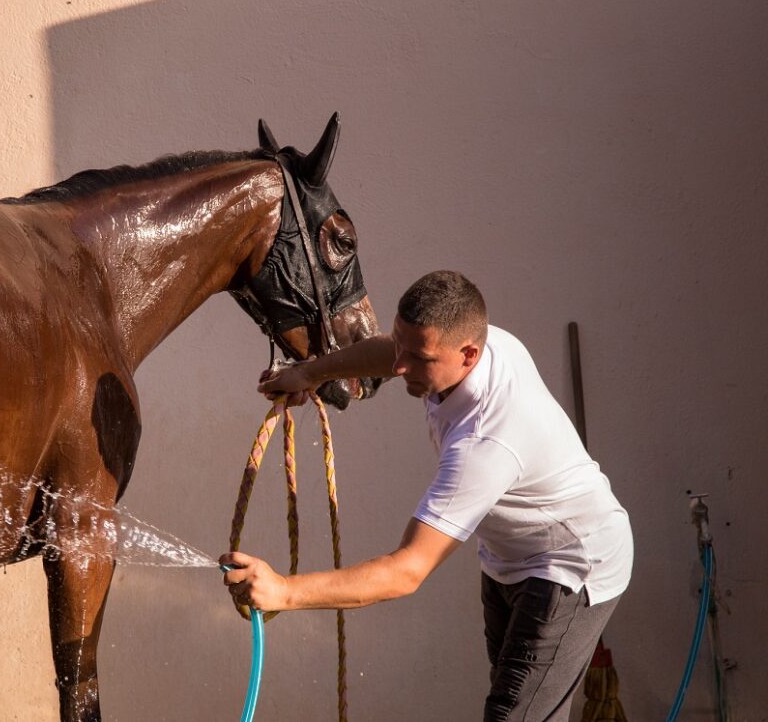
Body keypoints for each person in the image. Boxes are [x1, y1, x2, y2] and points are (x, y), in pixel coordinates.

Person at [220, 270, 632, 722]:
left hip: (571, 564)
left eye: (419, 358)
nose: (399, 367)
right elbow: (392, 351)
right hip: (508, 556)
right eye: (400, 345)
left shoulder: (485, 442)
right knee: (513, 700)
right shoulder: (479, 342)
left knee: (511, 715)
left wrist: (284, 591)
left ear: (468, 355)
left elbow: (406, 571)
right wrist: (310, 373)